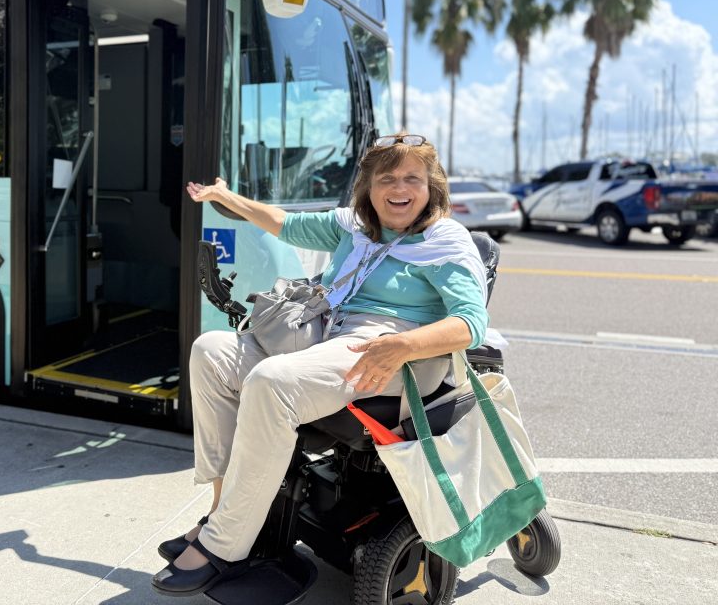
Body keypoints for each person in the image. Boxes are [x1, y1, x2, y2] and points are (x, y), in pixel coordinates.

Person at [151, 134, 489, 596]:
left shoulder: (445, 240)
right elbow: (284, 223)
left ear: (432, 187)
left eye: (412, 177)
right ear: (368, 187)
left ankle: (225, 545)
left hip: (393, 347)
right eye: (386, 177)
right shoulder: (354, 226)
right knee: (210, 351)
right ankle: (222, 508)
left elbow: (471, 323)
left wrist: (404, 344)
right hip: (330, 331)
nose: (399, 188)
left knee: (273, 382)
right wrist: (226, 198)